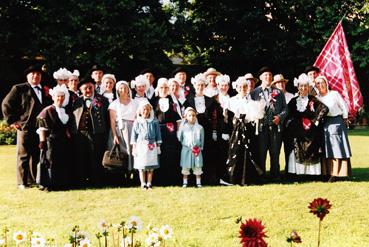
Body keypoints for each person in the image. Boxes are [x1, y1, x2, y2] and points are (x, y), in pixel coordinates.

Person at [2, 64, 52, 189]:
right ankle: (22, 182)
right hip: (24, 126)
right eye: (32, 74)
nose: (35, 76)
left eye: (38, 74)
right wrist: (13, 121)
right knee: (23, 155)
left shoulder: (45, 90)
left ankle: (32, 179)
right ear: (27, 76)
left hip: (40, 128)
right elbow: (6, 104)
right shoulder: (19, 88)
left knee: (36, 155)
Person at [285, 73, 328, 177]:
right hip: (297, 132)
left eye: (305, 86)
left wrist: (315, 121)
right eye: (301, 86)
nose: (303, 88)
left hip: (310, 132)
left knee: (311, 148)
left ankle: (311, 174)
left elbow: (324, 109)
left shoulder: (313, 99)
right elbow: (287, 114)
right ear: (298, 87)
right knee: (297, 149)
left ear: (309, 87)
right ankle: (298, 173)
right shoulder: (293, 101)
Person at [225, 76, 265, 185]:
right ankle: (236, 178)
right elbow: (227, 118)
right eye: (240, 87)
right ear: (236, 88)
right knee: (236, 153)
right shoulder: (231, 101)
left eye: (245, 86)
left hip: (248, 130)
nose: (243, 88)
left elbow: (255, 116)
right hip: (236, 131)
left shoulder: (252, 101)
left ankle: (249, 178)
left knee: (249, 153)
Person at [250, 66, 287, 181]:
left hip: (275, 126)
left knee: (275, 152)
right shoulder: (254, 93)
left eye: (270, 75)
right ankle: (261, 176)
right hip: (261, 127)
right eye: (265, 75)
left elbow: (286, 109)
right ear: (261, 77)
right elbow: (250, 109)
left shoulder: (278, 92)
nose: (268, 77)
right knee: (261, 152)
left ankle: (275, 175)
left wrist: (279, 117)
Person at [72, 78, 110, 186]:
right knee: (81, 157)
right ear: (80, 89)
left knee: (96, 157)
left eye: (90, 88)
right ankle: (82, 181)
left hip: (97, 134)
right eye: (85, 88)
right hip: (80, 134)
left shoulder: (102, 100)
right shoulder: (76, 101)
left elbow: (106, 118)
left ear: (94, 88)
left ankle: (97, 181)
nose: (88, 90)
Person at [315, 75, 352, 181]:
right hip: (324, 124)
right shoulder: (317, 98)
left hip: (336, 121)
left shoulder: (334, 94)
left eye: (322, 82)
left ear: (326, 83)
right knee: (327, 149)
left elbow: (344, 106)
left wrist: (344, 118)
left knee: (338, 148)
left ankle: (340, 173)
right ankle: (329, 172)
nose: (320, 85)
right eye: (318, 83)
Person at [36, 84, 73, 190]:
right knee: (50, 162)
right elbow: (42, 128)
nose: (60, 98)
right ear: (53, 97)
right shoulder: (47, 110)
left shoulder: (65, 111)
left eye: (62, 96)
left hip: (63, 141)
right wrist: (42, 142)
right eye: (58, 96)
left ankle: (61, 183)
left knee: (62, 161)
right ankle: (49, 184)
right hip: (51, 141)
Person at [187, 73, 217, 184]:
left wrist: (214, 131)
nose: (200, 87)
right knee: (193, 153)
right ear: (194, 85)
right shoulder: (188, 100)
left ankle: (207, 179)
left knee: (207, 153)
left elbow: (214, 117)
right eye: (198, 85)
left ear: (205, 86)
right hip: (192, 131)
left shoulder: (210, 101)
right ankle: (192, 179)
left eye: (202, 85)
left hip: (207, 131)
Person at [152, 78, 182, 185]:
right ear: (158, 89)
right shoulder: (153, 101)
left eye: (165, 87)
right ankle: (159, 180)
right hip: (157, 130)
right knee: (158, 154)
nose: (163, 90)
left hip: (171, 131)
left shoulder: (173, 101)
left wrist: (179, 132)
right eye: (161, 87)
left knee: (170, 154)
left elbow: (178, 119)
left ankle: (171, 179)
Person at [109, 81, 138, 181]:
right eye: (121, 88)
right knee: (122, 152)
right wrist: (115, 135)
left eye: (125, 87)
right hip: (120, 130)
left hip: (133, 129)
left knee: (133, 151)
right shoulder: (114, 104)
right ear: (117, 90)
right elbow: (112, 121)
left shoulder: (135, 102)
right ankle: (123, 174)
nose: (123, 90)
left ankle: (133, 172)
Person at [131, 102, 162, 190]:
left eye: (147, 109)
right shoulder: (137, 122)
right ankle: (143, 183)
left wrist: (158, 146)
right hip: (141, 145)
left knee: (150, 166)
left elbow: (158, 134)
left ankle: (149, 183)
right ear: (140, 111)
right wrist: (134, 147)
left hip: (151, 145)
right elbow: (134, 135)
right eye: (144, 109)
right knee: (142, 166)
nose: (146, 111)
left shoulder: (154, 121)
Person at [212, 74, 233, 185]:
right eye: (221, 85)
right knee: (218, 155)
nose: (223, 87)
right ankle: (218, 178)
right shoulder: (213, 99)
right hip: (218, 131)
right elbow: (213, 117)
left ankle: (227, 177)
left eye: (225, 85)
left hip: (229, 131)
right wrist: (215, 131)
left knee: (227, 154)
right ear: (218, 86)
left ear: (228, 87)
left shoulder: (232, 99)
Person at [177, 107, 205, 188]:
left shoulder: (200, 128)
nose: (192, 117)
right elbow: (180, 138)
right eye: (189, 115)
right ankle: (185, 182)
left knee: (197, 166)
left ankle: (198, 182)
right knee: (185, 166)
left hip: (197, 150)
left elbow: (202, 139)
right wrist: (185, 145)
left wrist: (200, 147)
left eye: (193, 115)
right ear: (186, 117)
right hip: (186, 150)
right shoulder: (183, 127)